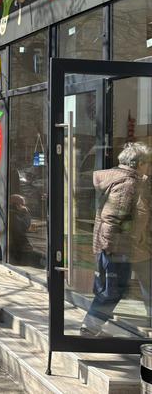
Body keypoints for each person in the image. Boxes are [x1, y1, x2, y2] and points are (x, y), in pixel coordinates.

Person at [80, 142, 151, 337]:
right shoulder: (127, 183)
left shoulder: (128, 180)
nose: (149, 167)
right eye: (147, 163)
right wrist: (113, 249)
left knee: (123, 287)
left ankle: (91, 325)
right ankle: (90, 327)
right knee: (113, 290)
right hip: (119, 248)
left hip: (128, 247)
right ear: (139, 163)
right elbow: (113, 218)